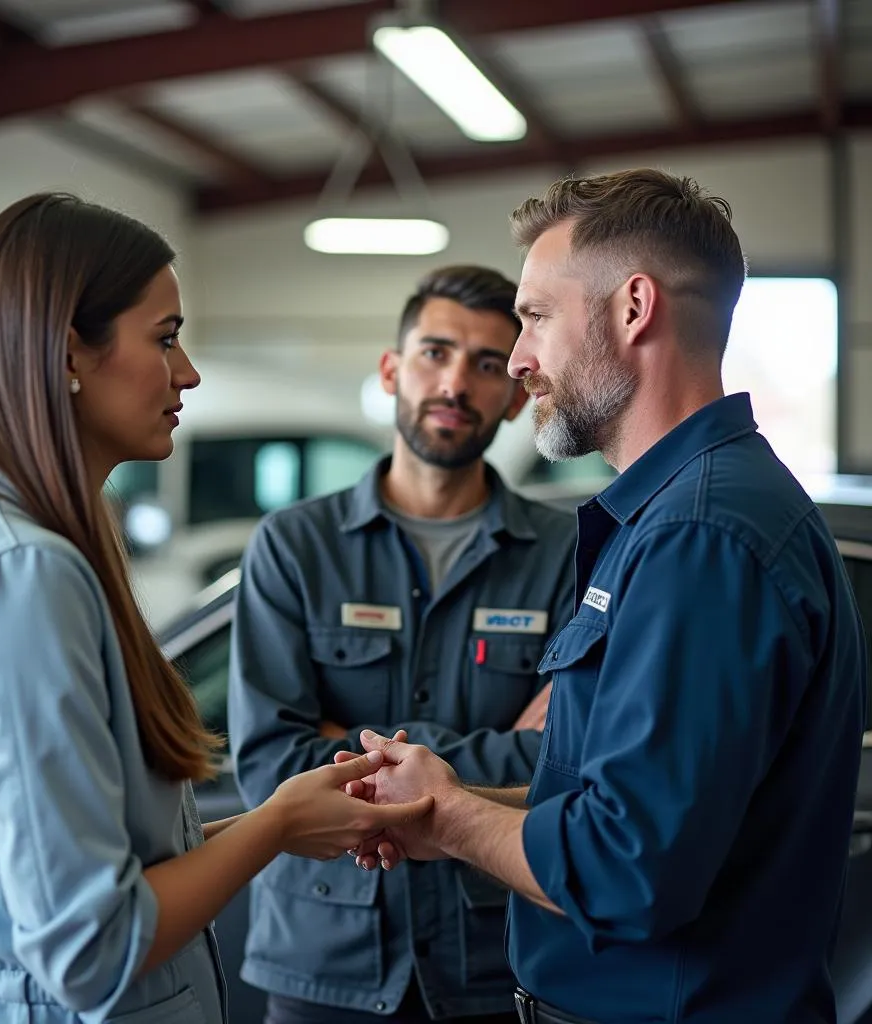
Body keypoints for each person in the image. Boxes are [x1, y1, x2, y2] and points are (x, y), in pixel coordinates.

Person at [0, 193, 433, 1024]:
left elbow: (113, 878)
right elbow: (94, 948)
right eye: (164, 338)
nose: (186, 371)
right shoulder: (23, 575)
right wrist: (271, 831)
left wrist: (282, 818)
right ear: (67, 355)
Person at [341, 168, 869, 1024]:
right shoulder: (682, 514)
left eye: (536, 318)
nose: (518, 361)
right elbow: (609, 798)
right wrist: (446, 795)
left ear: (633, 308)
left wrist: (448, 821)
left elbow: (627, 869)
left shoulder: (700, 537)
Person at [227, 264, 578, 1022]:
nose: (456, 382)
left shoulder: (567, 554)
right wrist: (480, 758)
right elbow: (267, 764)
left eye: (488, 364)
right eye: (435, 352)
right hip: (323, 964)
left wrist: (354, 753)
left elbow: (564, 760)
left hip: (493, 959)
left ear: (516, 397)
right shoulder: (294, 547)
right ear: (391, 371)